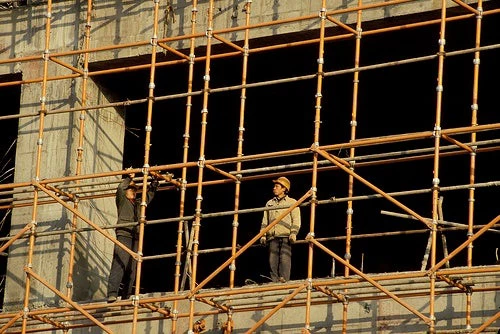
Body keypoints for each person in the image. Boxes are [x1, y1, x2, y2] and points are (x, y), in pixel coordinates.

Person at [107, 170, 159, 303]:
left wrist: (154, 182)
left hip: (136, 236)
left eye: (134, 190)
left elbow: (148, 196)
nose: (133, 192)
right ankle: (112, 293)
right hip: (124, 233)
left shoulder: (137, 204)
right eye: (131, 189)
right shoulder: (122, 201)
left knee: (132, 268)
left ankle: (126, 295)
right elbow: (120, 188)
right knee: (120, 263)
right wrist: (128, 178)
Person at [260, 176, 301, 283]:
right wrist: (263, 235)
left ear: (284, 189)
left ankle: (284, 279)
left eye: (277, 186)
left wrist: (293, 233)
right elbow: (265, 220)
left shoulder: (292, 202)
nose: (274, 188)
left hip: (285, 235)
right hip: (272, 235)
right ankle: (274, 280)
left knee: (285, 258)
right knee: (272, 259)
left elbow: (296, 219)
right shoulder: (270, 203)